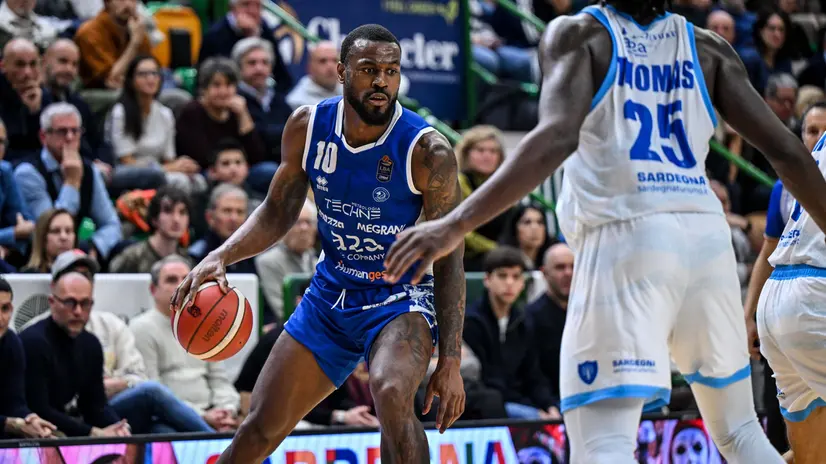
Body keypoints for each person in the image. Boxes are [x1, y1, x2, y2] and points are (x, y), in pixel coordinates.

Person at [383, 1, 826, 462]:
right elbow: (789, 154)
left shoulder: (578, 34)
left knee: (602, 444)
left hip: (627, 236)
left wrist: (454, 223)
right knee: (739, 432)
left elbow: (556, 135)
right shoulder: (710, 47)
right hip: (706, 240)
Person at [171, 24, 466, 464]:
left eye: (391, 70)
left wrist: (451, 360)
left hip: (397, 299)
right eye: (369, 70)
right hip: (330, 295)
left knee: (390, 392)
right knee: (258, 429)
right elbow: (277, 211)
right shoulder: (307, 127)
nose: (382, 81)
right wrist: (221, 254)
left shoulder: (428, 151)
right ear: (342, 73)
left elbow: (451, 259)